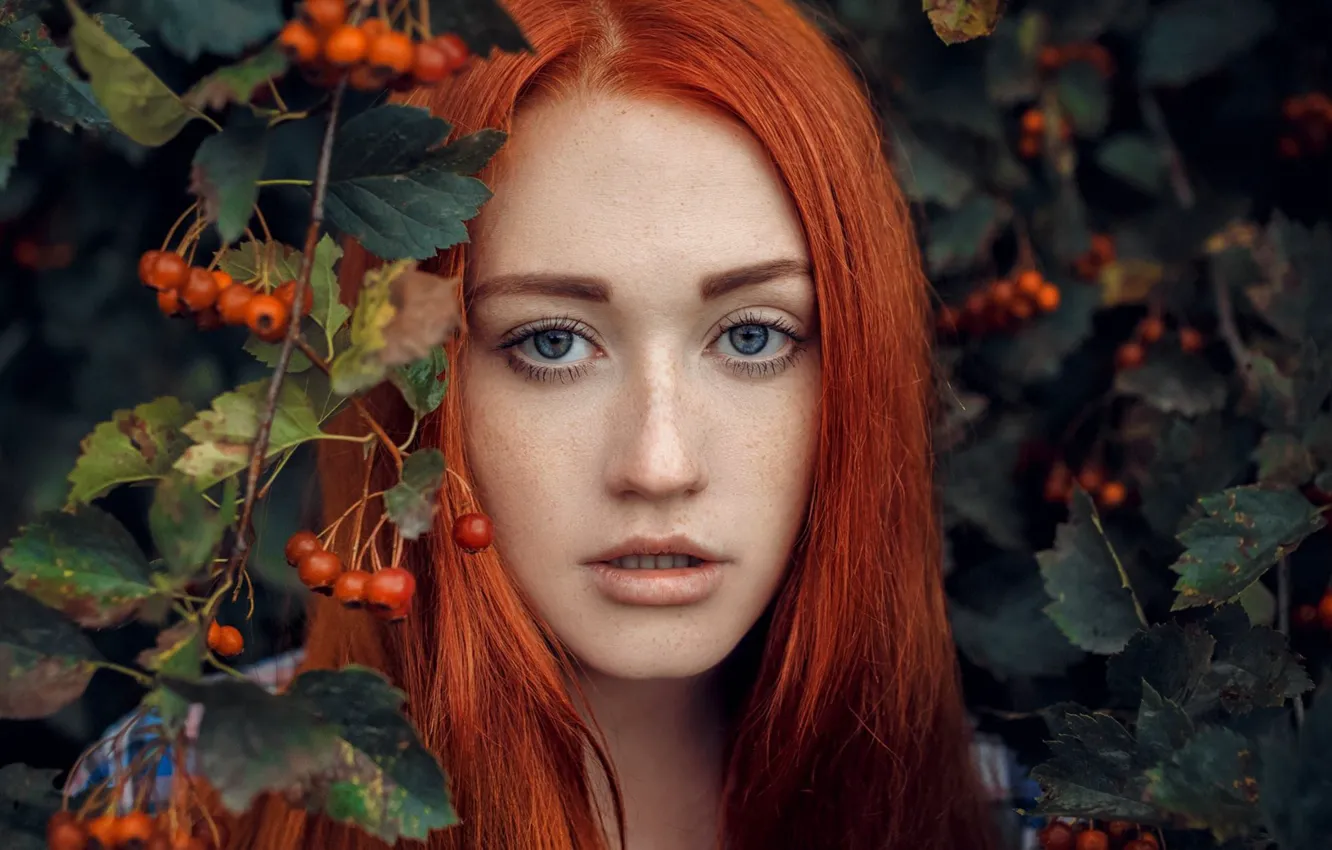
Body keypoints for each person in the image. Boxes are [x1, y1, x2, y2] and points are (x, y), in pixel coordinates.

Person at [75, 0, 1012, 847]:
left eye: (754, 334)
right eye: (555, 344)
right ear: (414, 379)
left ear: (854, 367)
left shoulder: (1009, 823)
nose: (659, 463)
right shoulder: (181, 797)